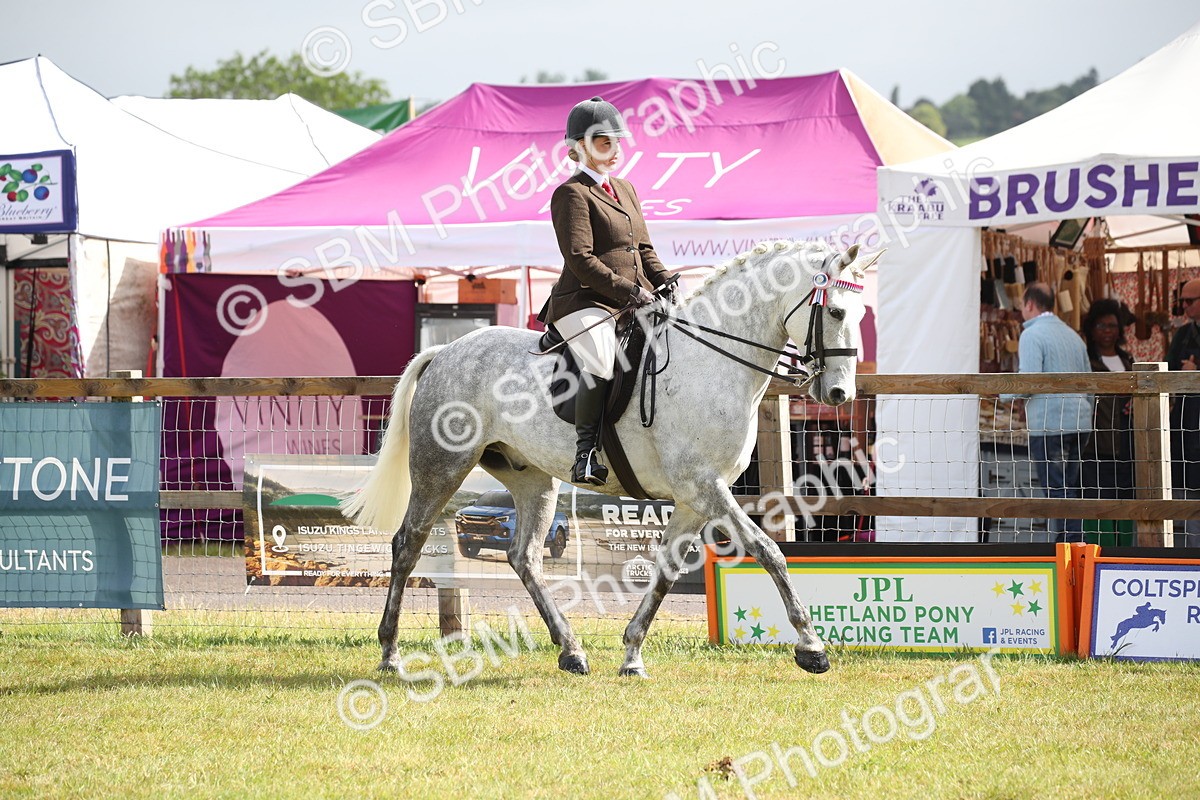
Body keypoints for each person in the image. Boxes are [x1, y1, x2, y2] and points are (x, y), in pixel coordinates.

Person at [540, 97, 674, 486]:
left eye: (617, 141)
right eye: (604, 142)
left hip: (631, 297)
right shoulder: (571, 194)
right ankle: (585, 455)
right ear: (580, 147)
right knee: (601, 359)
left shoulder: (626, 189)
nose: (614, 150)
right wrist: (631, 291)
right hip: (585, 300)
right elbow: (580, 259)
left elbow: (643, 248)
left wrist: (664, 279)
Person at [1004, 283, 1093, 542]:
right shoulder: (1073, 336)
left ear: (1030, 304)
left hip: (1050, 422)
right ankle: (1072, 541)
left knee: (1056, 488)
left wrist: (999, 392)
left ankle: (1069, 543)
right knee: (1070, 486)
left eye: (1022, 304)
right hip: (1080, 421)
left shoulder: (1032, 335)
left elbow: (1029, 381)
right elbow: (1090, 383)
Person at [1080, 298, 1135, 500]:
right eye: (1101, 326)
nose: (1107, 331)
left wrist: (1134, 402)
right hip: (1097, 445)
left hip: (1128, 444)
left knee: (1127, 502)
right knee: (1099, 503)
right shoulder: (1086, 362)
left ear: (1119, 330)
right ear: (1092, 330)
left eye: (1112, 326)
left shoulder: (1128, 361)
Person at [1167, 277, 1200, 546]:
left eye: (1190, 301)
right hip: (1187, 420)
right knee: (1189, 486)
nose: (1185, 306)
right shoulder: (1183, 334)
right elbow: (1166, 369)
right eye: (1182, 301)